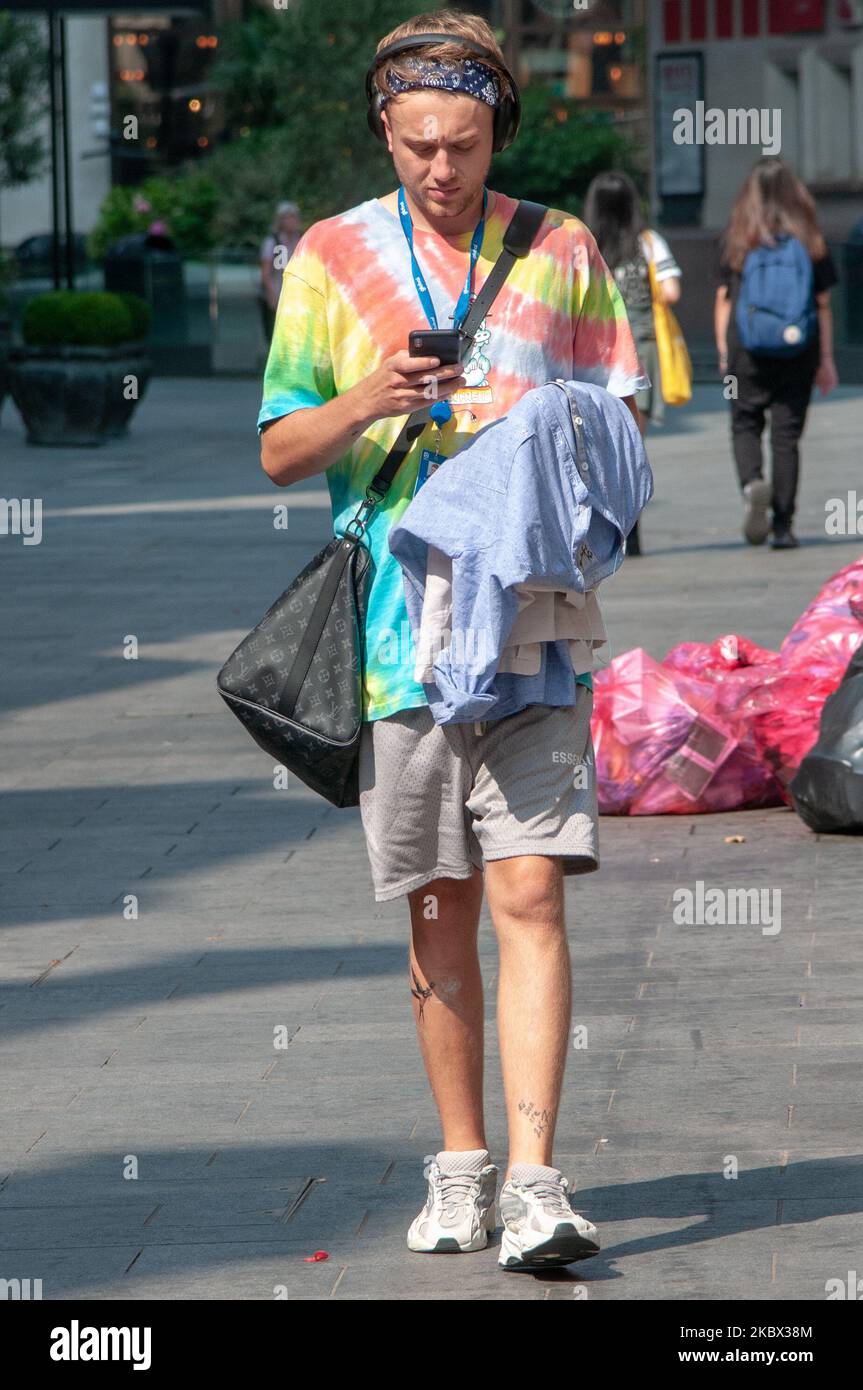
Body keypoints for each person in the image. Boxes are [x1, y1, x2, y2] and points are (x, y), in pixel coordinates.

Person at [257, 9, 646, 1272]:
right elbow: (275, 449)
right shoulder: (330, 256)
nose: (440, 166)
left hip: (531, 624)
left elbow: (625, 424)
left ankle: (538, 1181)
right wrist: (368, 398)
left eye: (465, 142)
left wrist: (543, 432)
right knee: (439, 907)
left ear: (497, 132)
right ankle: (460, 1164)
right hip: (394, 641)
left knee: (530, 889)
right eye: (419, 141)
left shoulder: (559, 249)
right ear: (384, 126)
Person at [715, 156, 839, 550]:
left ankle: (753, 484)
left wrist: (723, 352)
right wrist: (826, 360)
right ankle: (783, 526)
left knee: (743, 421)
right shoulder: (810, 239)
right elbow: (822, 304)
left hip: (742, 357)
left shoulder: (738, 237)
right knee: (787, 435)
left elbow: (722, 299)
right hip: (798, 349)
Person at [583, 171, 682, 557]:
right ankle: (632, 530)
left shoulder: (586, 244)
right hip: (640, 351)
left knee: (596, 445)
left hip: (595, 353)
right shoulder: (648, 242)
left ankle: (599, 527)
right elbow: (672, 291)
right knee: (632, 444)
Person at [259, 202, 302, 343]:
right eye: (287, 218)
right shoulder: (273, 242)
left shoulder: (300, 240)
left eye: (294, 217)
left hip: (297, 297)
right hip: (277, 294)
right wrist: (272, 297)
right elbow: (266, 273)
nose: (292, 221)